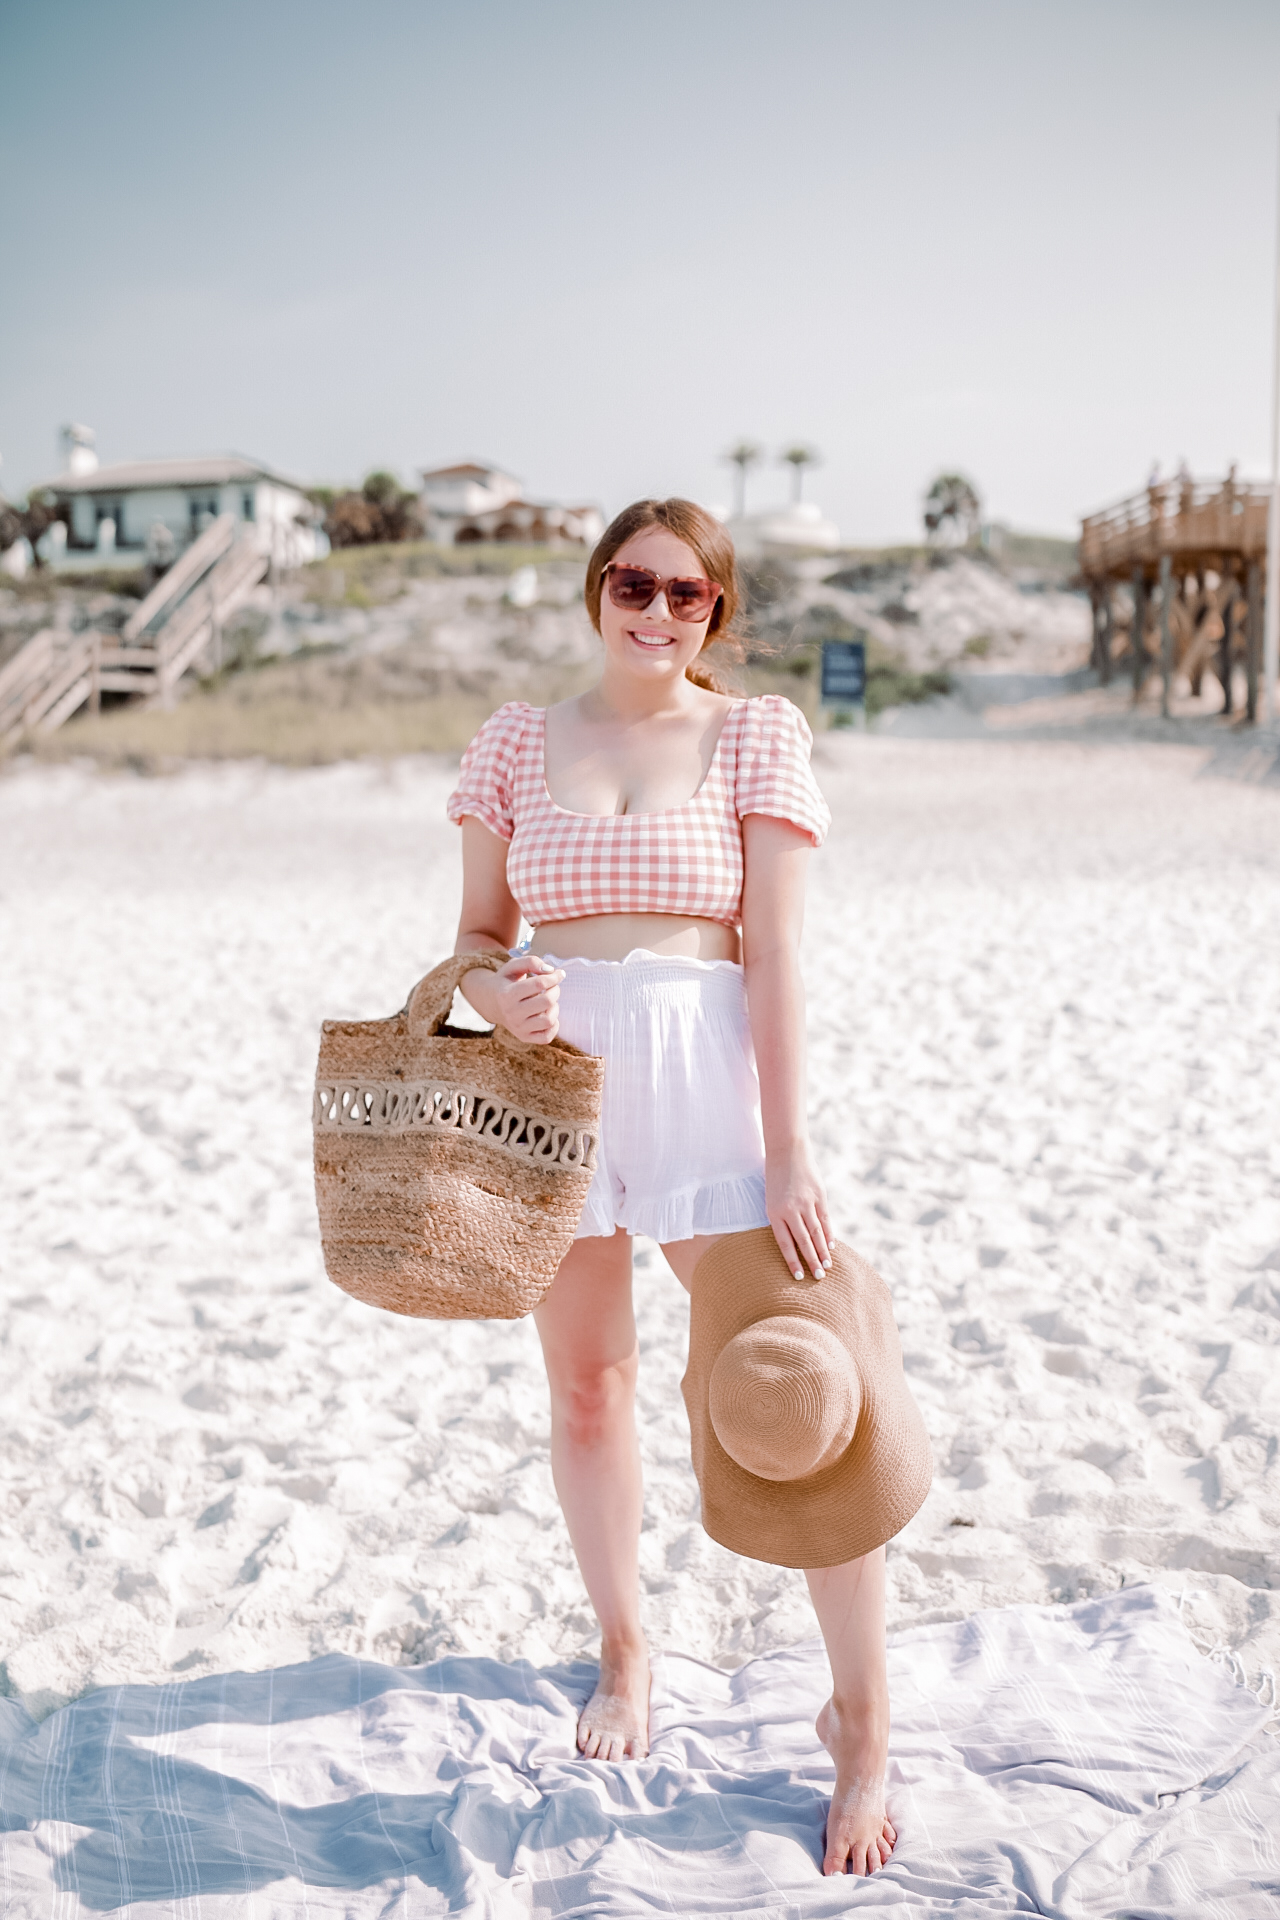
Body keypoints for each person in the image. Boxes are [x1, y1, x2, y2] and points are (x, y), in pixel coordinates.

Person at [447, 498, 896, 1877]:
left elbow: (773, 957)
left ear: (716, 611)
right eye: (633, 584)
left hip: (707, 1079)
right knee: (587, 1385)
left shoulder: (756, 733)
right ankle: (628, 1651)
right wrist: (496, 997)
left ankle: (863, 1718)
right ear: (595, 591)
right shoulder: (518, 738)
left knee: (803, 1382)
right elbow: (469, 940)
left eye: (687, 594)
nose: (656, 609)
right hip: (555, 1087)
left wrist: (791, 1146)